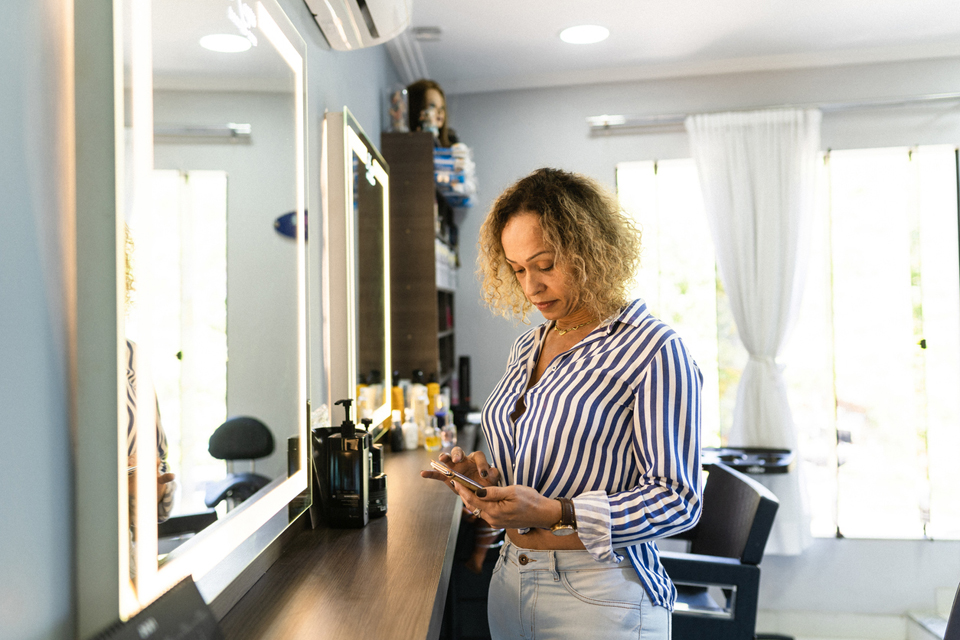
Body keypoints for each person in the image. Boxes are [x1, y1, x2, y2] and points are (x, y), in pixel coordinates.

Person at [422, 168, 703, 639]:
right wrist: (484, 482)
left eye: (545, 264)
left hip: (598, 595)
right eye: (517, 269)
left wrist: (557, 512)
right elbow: (536, 467)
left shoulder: (654, 349)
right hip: (510, 575)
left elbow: (679, 501)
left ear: (593, 250)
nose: (530, 286)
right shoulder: (528, 346)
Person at [406, 79, 458, 147]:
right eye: (432, 106)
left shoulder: (452, 142)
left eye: (442, 107)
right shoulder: (403, 143)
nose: (440, 112)